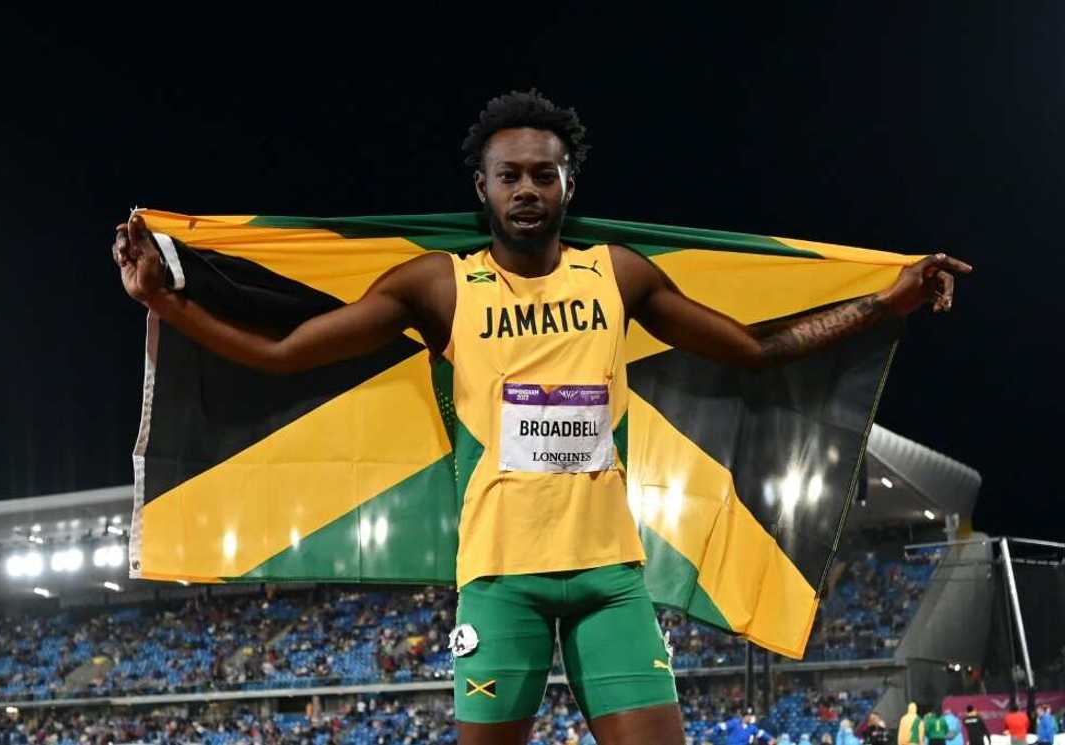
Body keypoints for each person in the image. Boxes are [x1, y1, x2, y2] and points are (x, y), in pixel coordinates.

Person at [112, 89, 972, 745]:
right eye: (510, 174)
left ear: (568, 183)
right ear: (481, 187)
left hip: (611, 579)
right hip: (500, 581)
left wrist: (882, 305)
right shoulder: (439, 284)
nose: (528, 188)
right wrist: (168, 300)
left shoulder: (618, 274)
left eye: (544, 173)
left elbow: (748, 349)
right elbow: (285, 351)